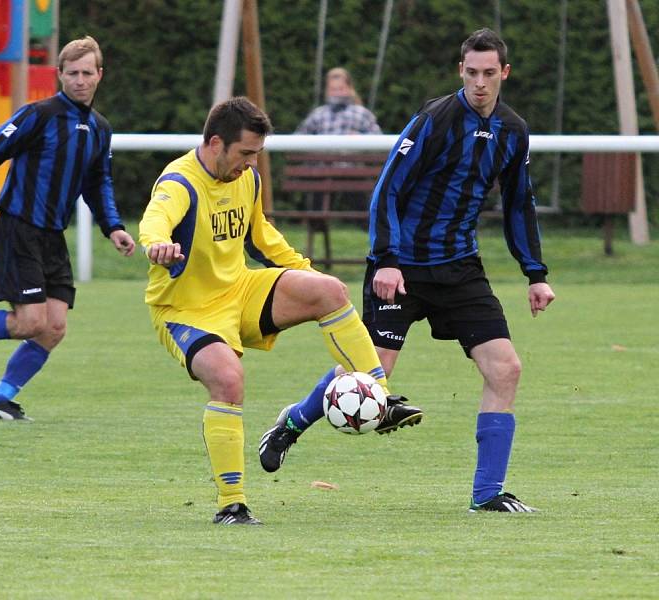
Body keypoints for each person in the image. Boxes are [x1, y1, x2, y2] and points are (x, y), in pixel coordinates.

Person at [260, 28, 556, 513]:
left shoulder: (513, 130)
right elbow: (388, 191)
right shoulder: (435, 120)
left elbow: (519, 204)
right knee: (371, 376)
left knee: (506, 369)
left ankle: (487, 495)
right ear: (461, 70)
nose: (480, 83)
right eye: (471, 72)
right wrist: (387, 260)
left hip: (459, 268)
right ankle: (291, 423)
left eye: (489, 73)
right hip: (400, 268)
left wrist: (535, 273)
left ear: (504, 73)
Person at [138, 97, 422, 526]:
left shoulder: (247, 178)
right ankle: (231, 504)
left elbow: (260, 236)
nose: (251, 163)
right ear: (216, 143)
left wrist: (306, 274)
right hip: (187, 309)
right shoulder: (180, 182)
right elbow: (155, 219)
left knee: (329, 291)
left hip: (240, 290)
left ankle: (379, 398)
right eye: (245, 153)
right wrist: (157, 242)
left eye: (257, 153)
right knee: (229, 380)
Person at [0, 36, 136, 420]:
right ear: (60, 74)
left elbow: (98, 181)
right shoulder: (40, 114)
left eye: (87, 73)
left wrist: (112, 226)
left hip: (52, 237)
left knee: (53, 327)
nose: (80, 80)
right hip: (19, 228)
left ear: (100, 75)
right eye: (72, 73)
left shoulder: (101, 128)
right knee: (29, 322)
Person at [296, 67, 382, 135]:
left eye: (341, 89)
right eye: (333, 89)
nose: (337, 93)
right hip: (323, 157)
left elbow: (377, 139)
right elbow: (299, 137)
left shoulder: (362, 114)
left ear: (349, 89)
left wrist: (361, 139)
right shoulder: (318, 114)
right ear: (327, 91)